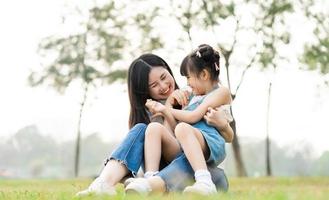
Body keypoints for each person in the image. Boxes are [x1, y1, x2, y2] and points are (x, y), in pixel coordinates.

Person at [76, 53, 233, 196]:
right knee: (141, 129)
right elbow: (172, 140)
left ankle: (150, 184)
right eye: (154, 85)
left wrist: (223, 125)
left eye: (164, 77)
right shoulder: (151, 112)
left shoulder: (192, 95)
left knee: (189, 154)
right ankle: (103, 183)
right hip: (173, 168)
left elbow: (221, 135)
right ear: (145, 91)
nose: (163, 86)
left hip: (206, 170)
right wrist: (167, 108)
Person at [126, 44, 232, 195]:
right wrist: (168, 106)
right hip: (187, 144)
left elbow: (194, 116)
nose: (187, 83)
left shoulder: (221, 92)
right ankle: (151, 178)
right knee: (154, 128)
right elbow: (173, 134)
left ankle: (205, 181)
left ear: (203, 75)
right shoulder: (192, 96)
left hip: (211, 142)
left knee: (182, 128)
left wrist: (165, 109)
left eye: (189, 77)